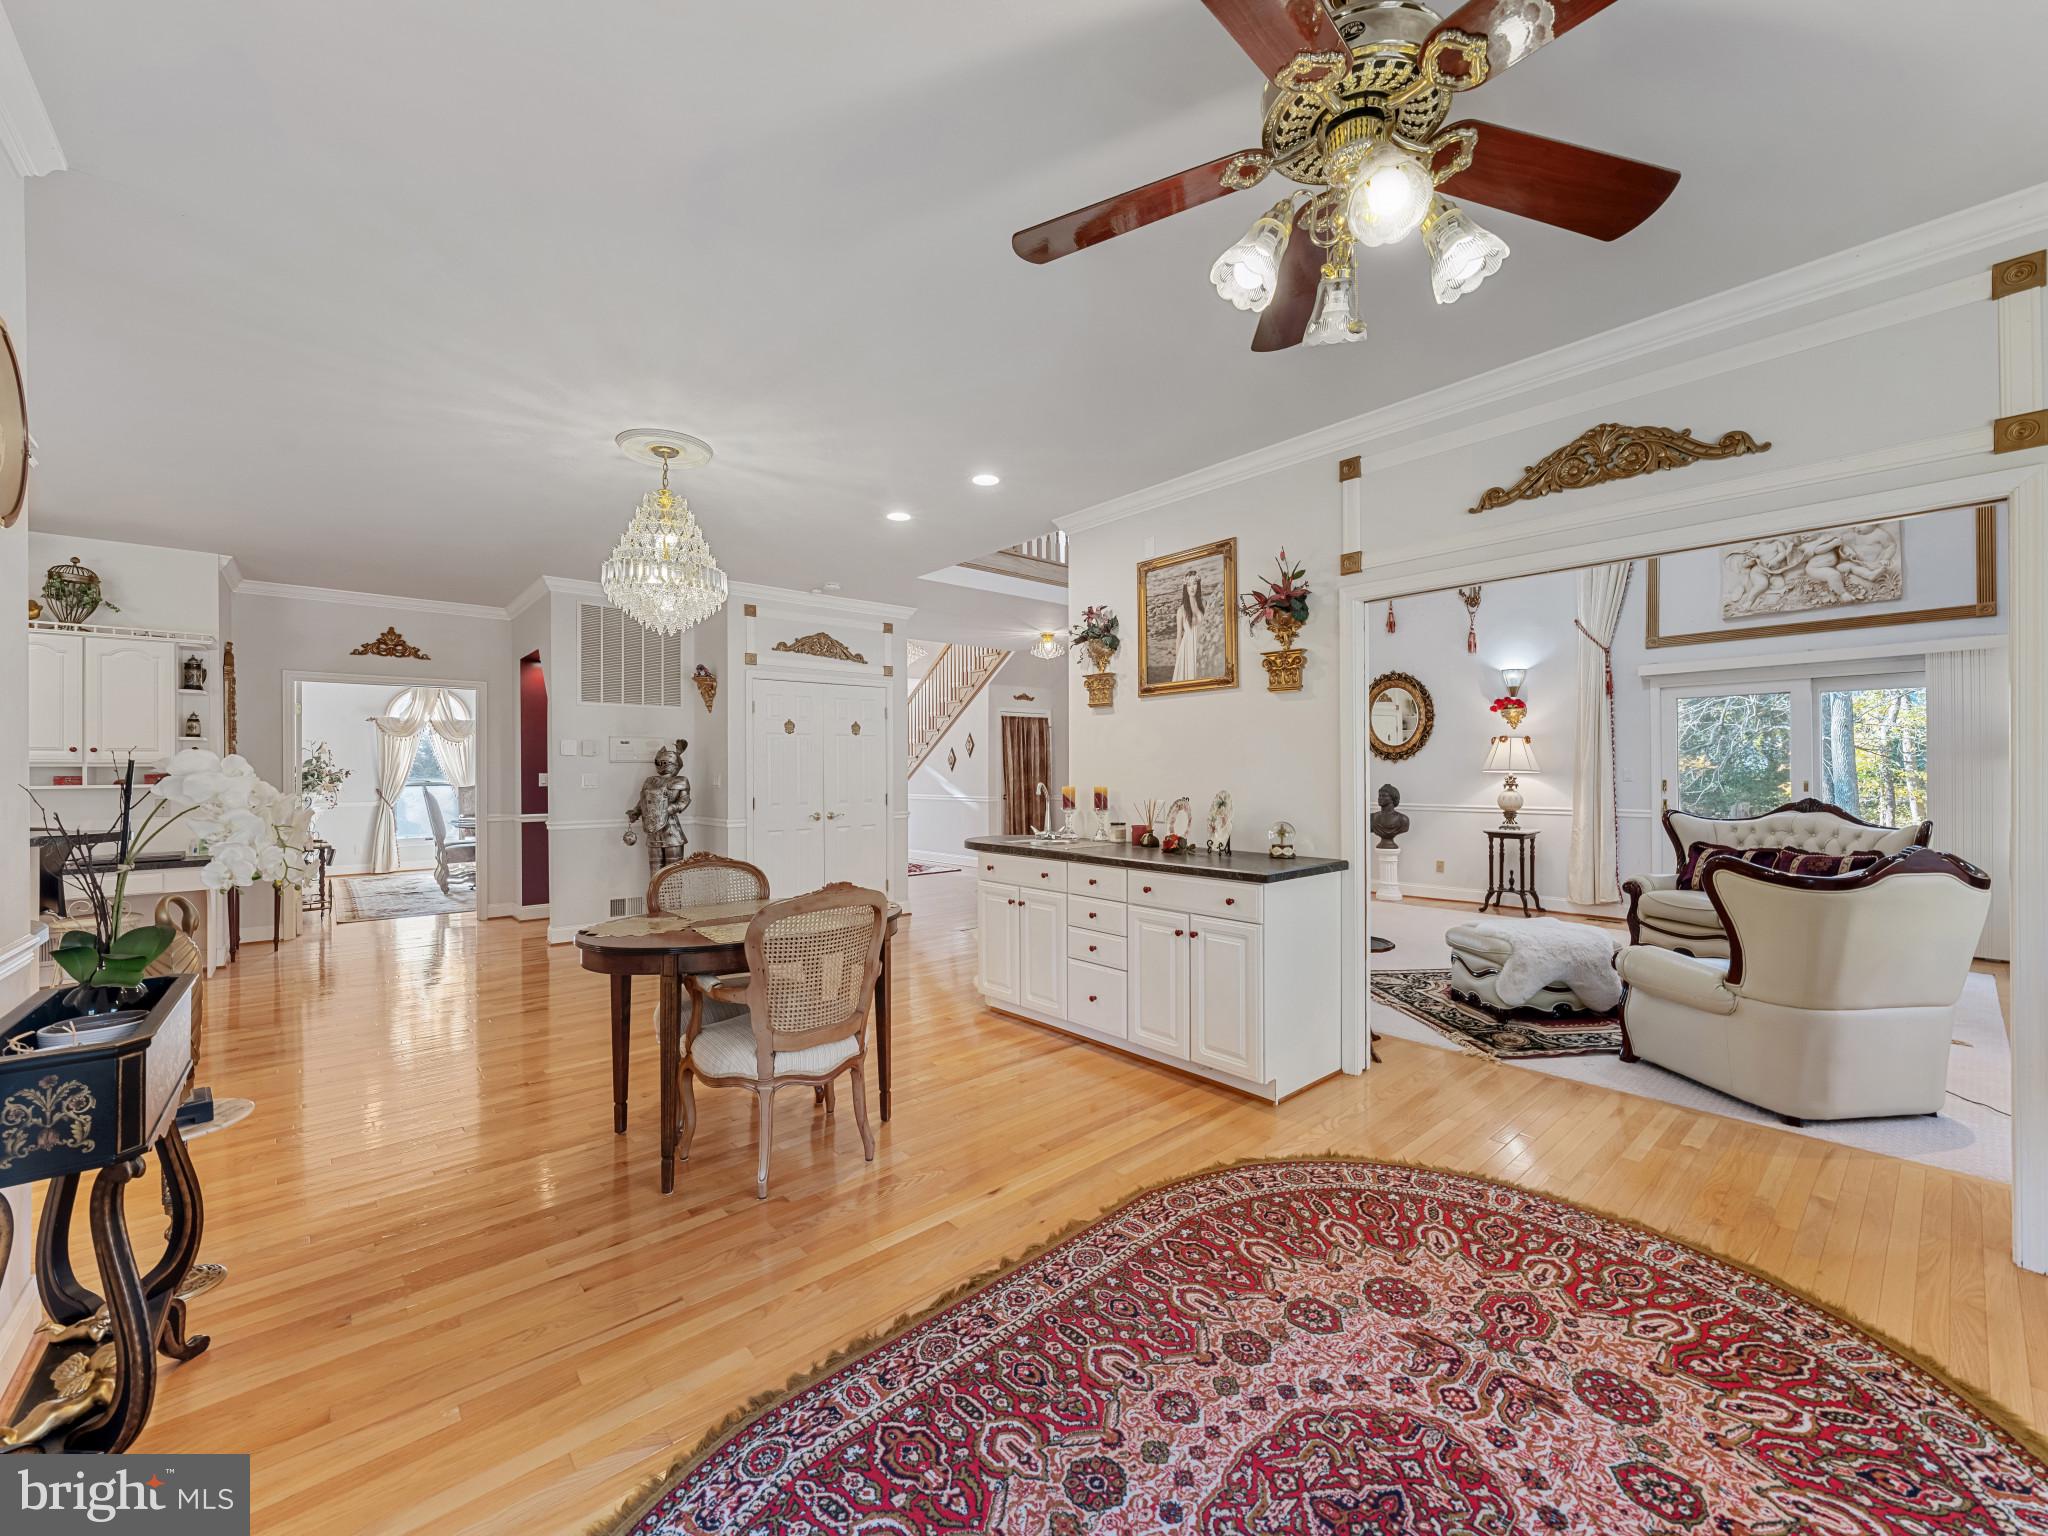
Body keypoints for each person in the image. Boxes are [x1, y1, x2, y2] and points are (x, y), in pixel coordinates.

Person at [1171, 570, 1205, 682]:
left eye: (1194, 584)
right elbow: (1179, 636)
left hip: (1200, 644)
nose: (1192, 588)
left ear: (1198, 585)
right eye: (1189, 585)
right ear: (1185, 588)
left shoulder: (1204, 605)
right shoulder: (1181, 610)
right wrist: (1178, 660)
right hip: (1187, 647)